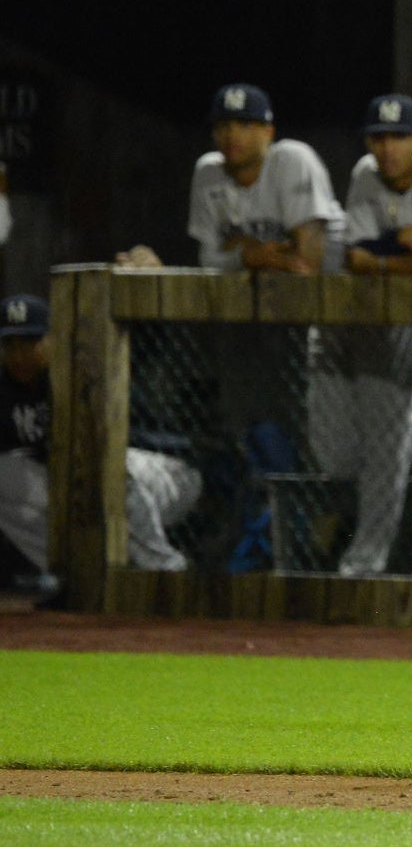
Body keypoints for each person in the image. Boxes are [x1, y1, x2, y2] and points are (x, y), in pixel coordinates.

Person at [113, 83, 344, 507]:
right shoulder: (209, 172)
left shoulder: (292, 160)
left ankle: (304, 522)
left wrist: (246, 252)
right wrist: (261, 255)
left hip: (332, 314)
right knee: (254, 423)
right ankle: (276, 524)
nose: (232, 134)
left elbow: (307, 263)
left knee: (321, 436)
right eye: (222, 125)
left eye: (245, 124)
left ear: (269, 131)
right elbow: (210, 258)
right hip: (259, 312)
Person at [310, 95, 412, 577]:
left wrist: (386, 259)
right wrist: (406, 245)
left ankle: (366, 559)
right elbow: (356, 257)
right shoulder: (366, 173)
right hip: (361, 313)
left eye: (400, 137)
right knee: (335, 453)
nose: (387, 149)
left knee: (384, 450)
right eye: (379, 137)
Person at [0, 294, 202, 580]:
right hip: (75, 487)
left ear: (54, 339)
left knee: (107, 467)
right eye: (10, 345)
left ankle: (167, 571)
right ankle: (73, 575)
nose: (19, 356)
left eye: (31, 343)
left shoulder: (84, 374)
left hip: (161, 474)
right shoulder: (5, 390)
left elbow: (122, 445)